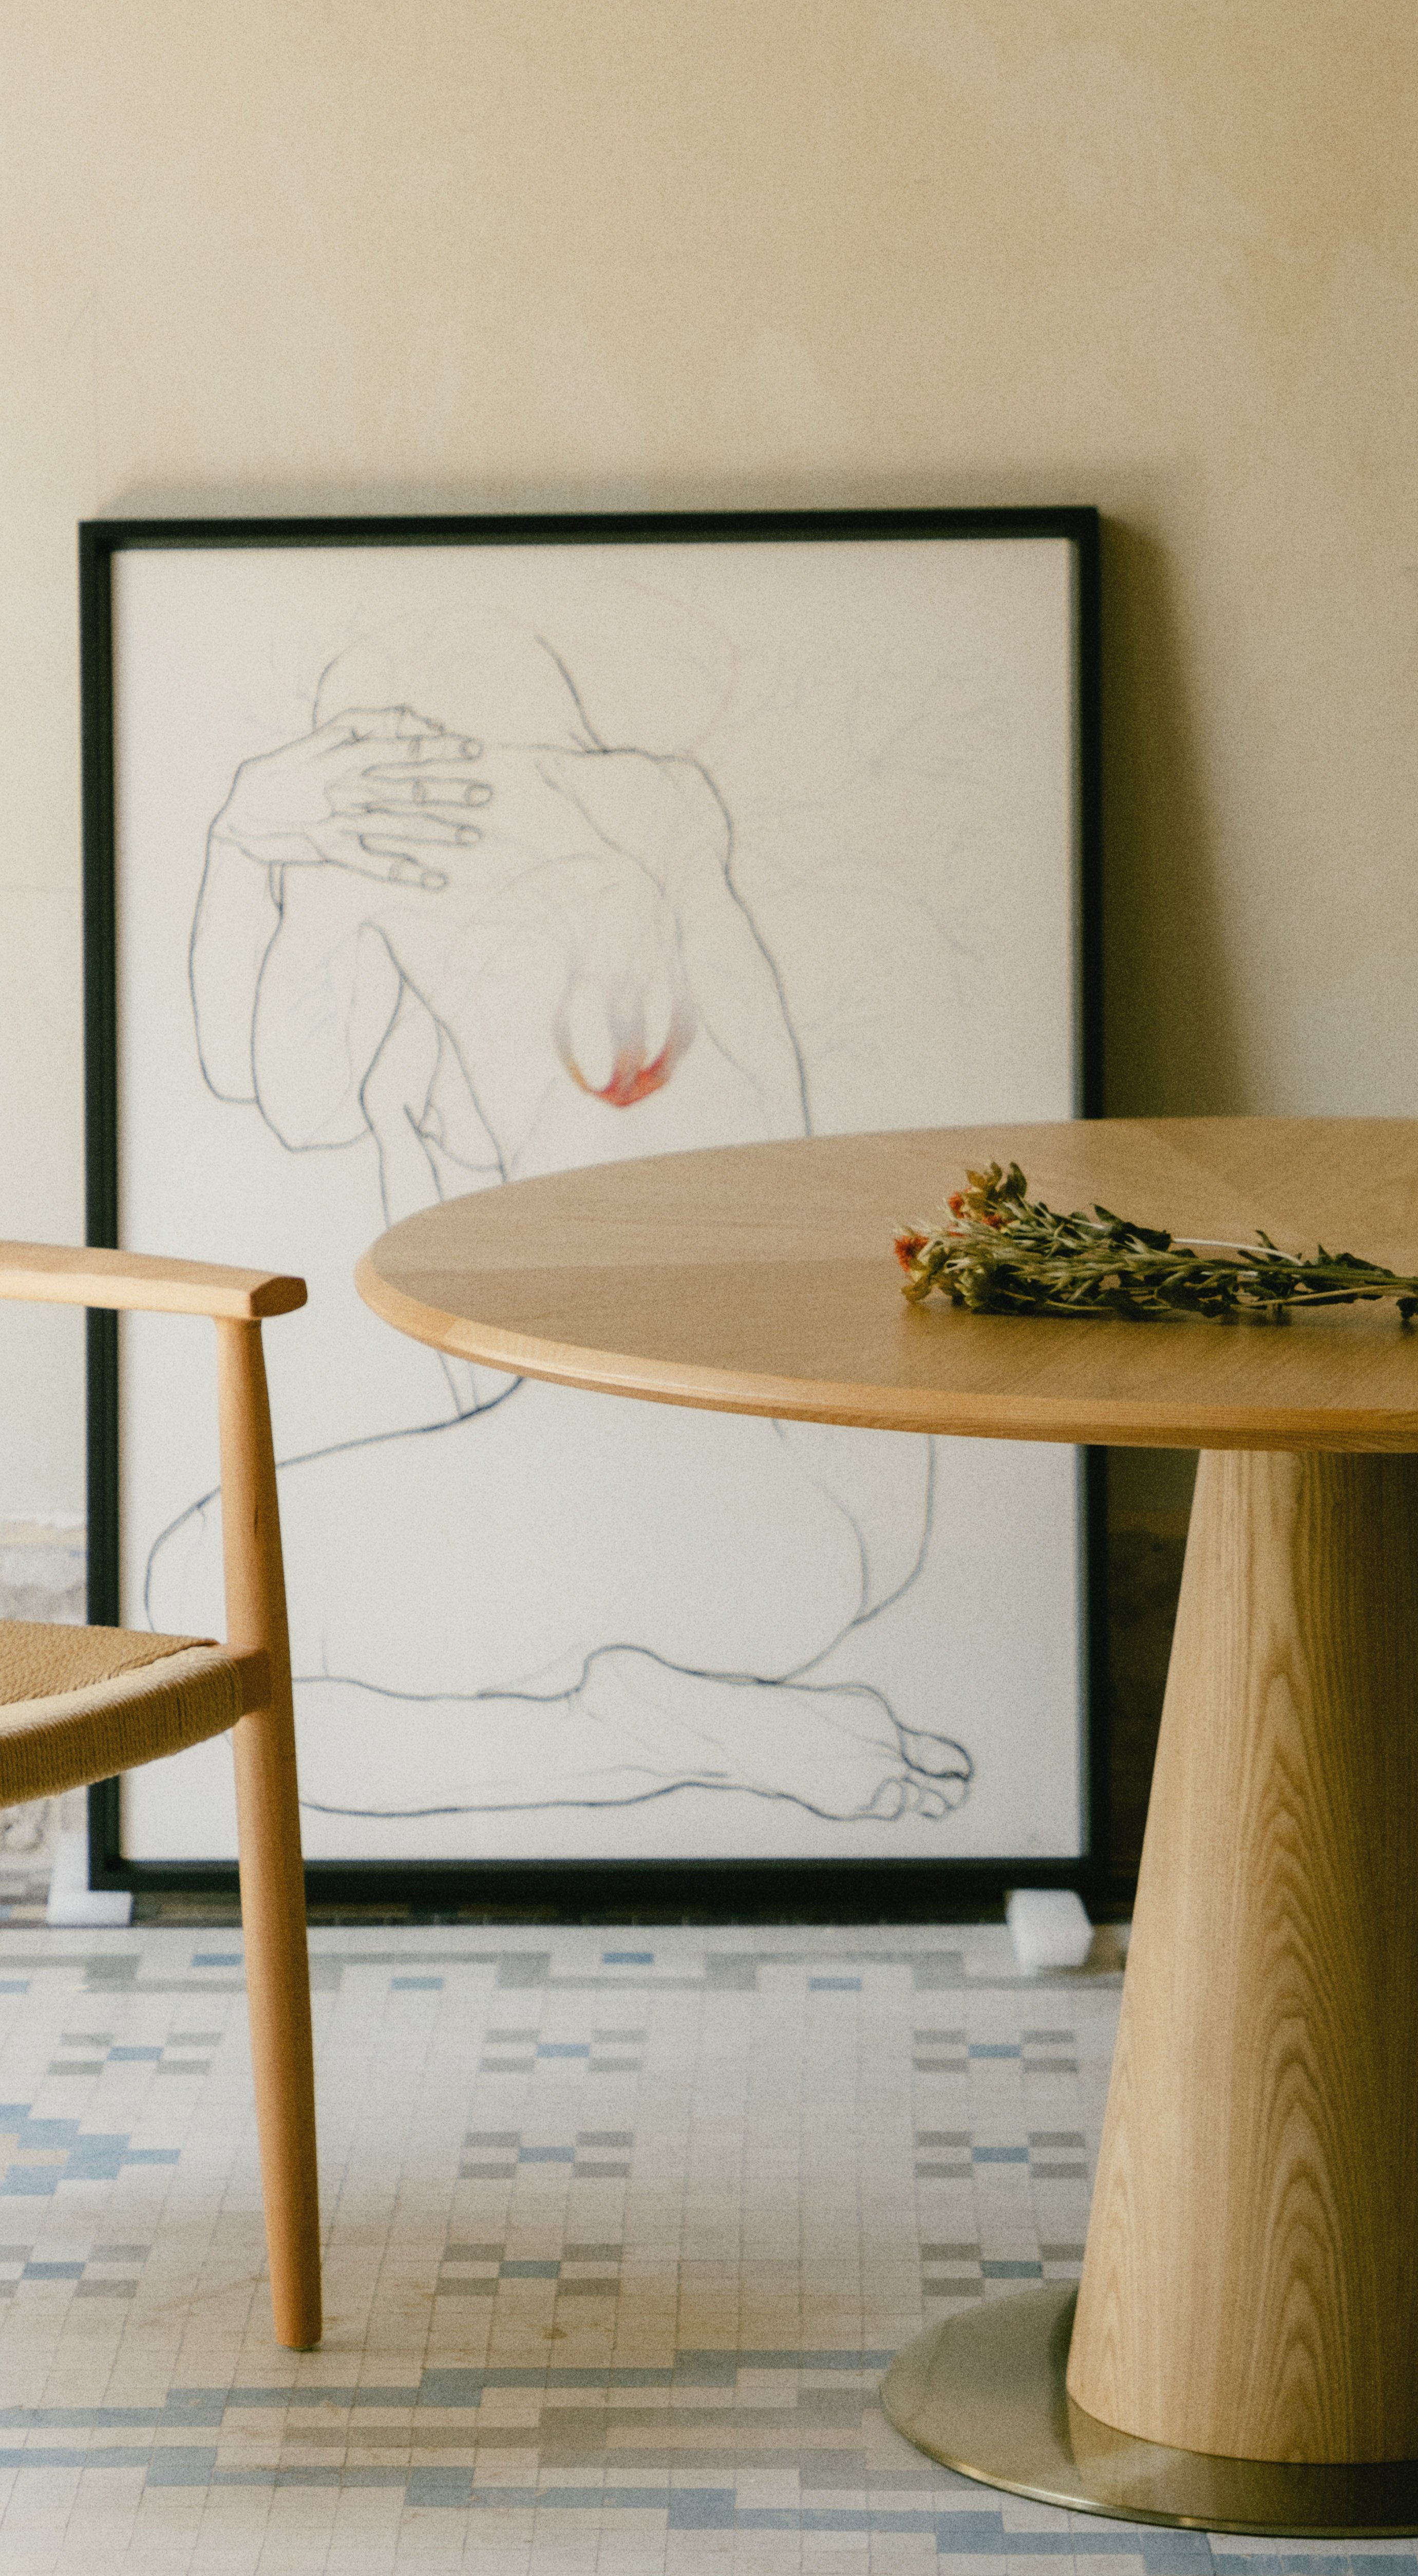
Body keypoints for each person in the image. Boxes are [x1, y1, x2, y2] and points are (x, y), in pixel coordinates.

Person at [149, 611, 966, 1831]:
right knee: (214, 1663)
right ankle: (684, 1714)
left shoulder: (405, 861)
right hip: (838, 1480)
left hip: (704, 1509)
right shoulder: (664, 832)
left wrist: (249, 841)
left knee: (185, 1633)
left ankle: (652, 1730)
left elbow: (274, 1083)